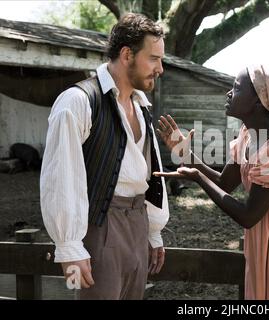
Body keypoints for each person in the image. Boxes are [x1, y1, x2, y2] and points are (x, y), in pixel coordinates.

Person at [155, 65, 269, 300]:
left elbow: (248, 216)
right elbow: (224, 183)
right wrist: (183, 151)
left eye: (236, 88)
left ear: (259, 101)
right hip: (267, 236)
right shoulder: (250, 135)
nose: (229, 93)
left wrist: (197, 178)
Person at [40, 13, 169, 300]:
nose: (160, 68)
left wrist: (153, 231)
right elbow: (60, 178)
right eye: (153, 58)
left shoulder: (141, 106)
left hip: (137, 226)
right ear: (127, 54)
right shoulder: (78, 101)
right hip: (99, 228)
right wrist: (69, 247)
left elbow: (146, 173)